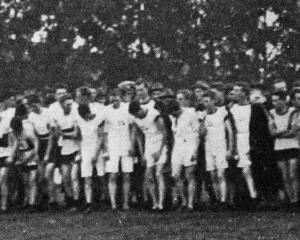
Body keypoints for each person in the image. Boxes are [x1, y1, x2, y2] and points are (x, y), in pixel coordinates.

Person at [129, 101, 168, 211]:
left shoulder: (154, 114)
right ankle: (154, 203)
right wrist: (142, 154)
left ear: (140, 109)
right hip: (149, 147)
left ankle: (161, 204)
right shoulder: (136, 119)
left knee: (159, 173)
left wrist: (160, 151)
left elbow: (165, 133)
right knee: (148, 176)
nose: (136, 117)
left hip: (160, 144)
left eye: (137, 114)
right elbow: (139, 136)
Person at [202, 91, 234, 208]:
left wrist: (230, 149)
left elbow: (230, 132)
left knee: (221, 174)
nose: (205, 104)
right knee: (212, 174)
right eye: (203, 102)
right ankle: (217, 199)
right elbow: (201, 133)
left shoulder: (222, 113)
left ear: (213, 101)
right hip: (209, 147)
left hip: (221, 146)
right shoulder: (203, 115)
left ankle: (223, 200)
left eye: (207, 101)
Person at [104, 90, 135, 210]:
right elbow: (105, 133)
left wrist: (132, 145)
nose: (114, 99)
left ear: (121, 98)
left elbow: (133, 128)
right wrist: (105, 150)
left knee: (127, 175)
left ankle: (126, 202)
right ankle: (113, 204)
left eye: (117, 97)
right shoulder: (106, 110)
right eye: (112, 97)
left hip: (126, 145)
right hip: (112, 146)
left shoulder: (127, 108)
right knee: (112, 175)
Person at [270, 90, 300, 208]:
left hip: (292, 145)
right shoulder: (271, 113)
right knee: (284, 175)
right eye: (272, 100)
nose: (273, 103)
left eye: (276, 100)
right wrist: (284, 130)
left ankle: (296, 199)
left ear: (283, 100)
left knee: (293, 173)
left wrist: (279, 132)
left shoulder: (293, 112)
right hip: (279, 147)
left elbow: (293, 132)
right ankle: (291, 200)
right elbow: (272, 133)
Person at [169, 100, 200, 210]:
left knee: (189, 175)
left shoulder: (191, 114)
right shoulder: (172, 117)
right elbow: (174, 134)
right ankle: (184, 201)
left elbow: (197, 134)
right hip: (178, 147)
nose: (173, 115)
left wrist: (194, 151)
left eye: (175, 113)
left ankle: (191, 203)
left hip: (190, 145)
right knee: (175, 175)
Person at [230, 82, 258, 203]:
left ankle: (254, 195)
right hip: (238, 140)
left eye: (237, 91)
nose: (234, 93)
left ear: (244, 93)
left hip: (250, 139)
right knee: (241, 170)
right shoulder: (232, 108)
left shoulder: (253, 107)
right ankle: (245, 197)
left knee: (249, 169)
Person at [52, 94, 80, 210]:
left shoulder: (75, 116)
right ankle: (70, 202)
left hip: (76, 150)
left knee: (74, 177)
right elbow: (55, 135)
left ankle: (78, 201)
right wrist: (56, 130)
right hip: (64, 151)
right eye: (67, 104)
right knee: (65, 178)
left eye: (71, 104)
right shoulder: (59, 118)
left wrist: (63, 134)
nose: (70, 106)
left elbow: (75, 134)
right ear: (61, 105)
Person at [75, 103, 105, 213]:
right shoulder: (79, 121)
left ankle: (103, 200)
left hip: (97, 150)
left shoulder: (98, 120)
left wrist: (96, 154)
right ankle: (89, 202)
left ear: (88, 112)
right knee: (87, 177)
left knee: (101, 175)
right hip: (85, 150)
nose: (84, 118)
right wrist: (80, 153)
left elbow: (101, 137)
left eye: (85, 115)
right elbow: (79, 138)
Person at [10, 104, 39, 212]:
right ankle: (26, 202)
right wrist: (19, 157)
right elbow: (15, 147)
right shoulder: (14, 134)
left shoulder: (28, 132)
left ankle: (32, 203)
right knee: (26, 182)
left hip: (31, 158)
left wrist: (30, 157)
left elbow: (35, 146)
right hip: (22, 158)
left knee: (32, 181)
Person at [27, 95, 53, 210]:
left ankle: (53, 201)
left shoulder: (47, 112)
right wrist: (37, 152)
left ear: (39, 102)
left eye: (35, 105)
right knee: (40, 176)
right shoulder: (31, 116)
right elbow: (36, 137)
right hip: (40, 144)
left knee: (48, 174)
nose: (34, 108)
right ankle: (44, 200)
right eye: (31, 107)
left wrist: (47, 153)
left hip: (51, 144)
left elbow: (51, 135)